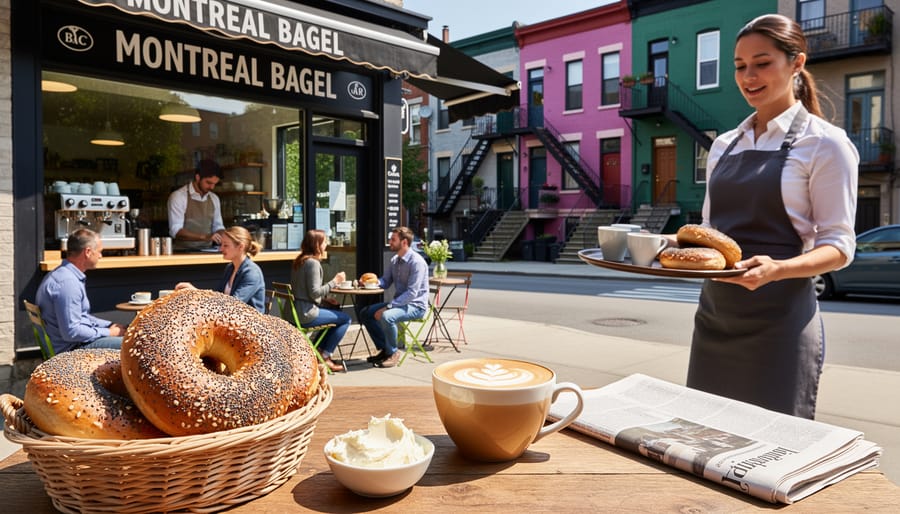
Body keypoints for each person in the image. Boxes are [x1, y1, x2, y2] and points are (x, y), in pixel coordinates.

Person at [676, 14, 858, 419]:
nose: (748, 77)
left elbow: (840, 246)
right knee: (702, 442)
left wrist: (777, 269)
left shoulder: (825, 144)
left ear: (796, 64)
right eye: (740, 66)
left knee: (768, 456)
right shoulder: (724, 144)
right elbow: (710, 231)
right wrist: (668, 246)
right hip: (715, 317)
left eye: (762, 63)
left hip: (780, 326)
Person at [35, 229, 127, 353]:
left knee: (129, 336)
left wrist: (108, 325)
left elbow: (81, 317)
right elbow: (72, 332)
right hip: (72, 350)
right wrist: (109, 332)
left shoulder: (62, 275)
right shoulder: (68, 283)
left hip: (71, 344)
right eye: (99, 252)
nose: (100, 256)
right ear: (88, 252)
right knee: (133, 344)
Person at [358, 226, 430, 368]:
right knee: (365, 313)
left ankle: (394, 352)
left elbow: (412, 293)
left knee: (387, 316)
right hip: (401, 303)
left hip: (416, 305)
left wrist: (388, 307)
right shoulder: (395, 260)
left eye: (393, 239)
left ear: (404, 242)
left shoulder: (417, 262)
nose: (390, 242)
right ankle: (385, 349)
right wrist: (371, 282)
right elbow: (385, 281)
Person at [290, 229, 351, 372]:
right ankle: (324, 355)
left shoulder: (299, 261)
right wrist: (335, 281)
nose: (326, 244)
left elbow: (305, 291)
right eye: (324, 242)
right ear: (317, 245)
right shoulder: (312, 263)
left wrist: (324, 299)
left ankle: (319, 351)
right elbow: (315, 292)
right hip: (306, 314)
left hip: (294, 312)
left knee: (335, 313)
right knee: (346, 319)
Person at [176, 226, 266, 312]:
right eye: (221, 244)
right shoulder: (230, 268)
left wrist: (198, 294)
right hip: (230, 322)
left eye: (225, 245)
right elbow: (219, 296)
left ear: (240, 247)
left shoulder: (252, 273)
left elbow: (233, 304)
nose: (221, 248)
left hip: (249, 325)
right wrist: (195, 292)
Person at [167, 158, 226, 251]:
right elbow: (176, 231)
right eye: (208, 183)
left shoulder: (214, 198)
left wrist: (224, 235)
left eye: (215, 184)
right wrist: (205, 237)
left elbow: (218, 226)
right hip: (182, 252)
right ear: (198, 177)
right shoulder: (179, 196)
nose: (212, 187)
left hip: (208, 250)